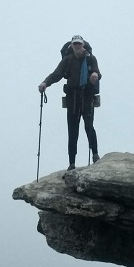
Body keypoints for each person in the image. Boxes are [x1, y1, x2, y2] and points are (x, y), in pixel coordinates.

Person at [38, 35, 101, 173]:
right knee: (72, 130)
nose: (77, 46)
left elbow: (98, 72)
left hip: (86, 96)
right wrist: (45, 83)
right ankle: (72, 163)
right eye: (75, 44)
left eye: (79, 44)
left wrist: (95, 75)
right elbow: (57, 74)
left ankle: (95, 156)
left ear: (83, 45)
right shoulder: (68, 60)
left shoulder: (91, 59)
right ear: (72, 46)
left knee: (89, 127)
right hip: (73, 97)